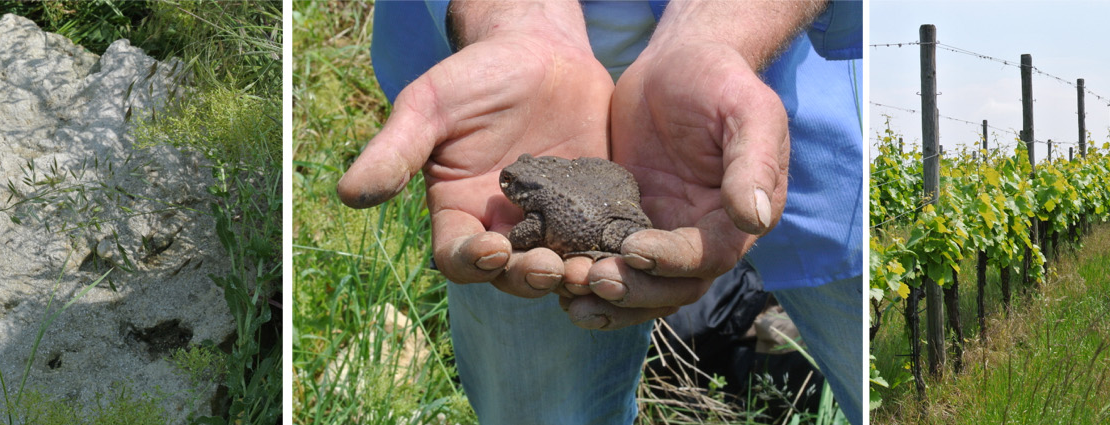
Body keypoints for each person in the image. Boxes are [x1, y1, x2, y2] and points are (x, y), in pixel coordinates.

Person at [336, 1, 863, 423]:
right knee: (543, 408)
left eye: (514, 184)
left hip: (782, 92)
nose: (510, 187)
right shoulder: (517, 178)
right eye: (516, 181)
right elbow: (531, 217)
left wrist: (717, 28)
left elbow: (532, 230)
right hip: (509, 112)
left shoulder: (530, 209)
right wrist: (514, 18)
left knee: (866, 353)